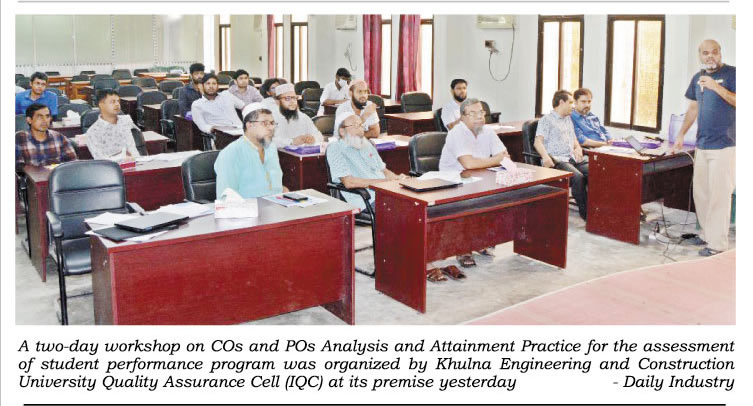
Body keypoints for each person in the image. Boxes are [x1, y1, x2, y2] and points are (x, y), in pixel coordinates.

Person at [672, 39, 736, 257]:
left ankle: (717, 244)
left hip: (724, 145)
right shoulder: (697, 78)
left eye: (714, 52)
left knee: (719, 196)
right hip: (702, 144)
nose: (710, 56)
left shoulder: (733, 74)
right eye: (706, 53)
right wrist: (681, 134)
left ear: (720, 53)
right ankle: (707, 235)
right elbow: (693, 108)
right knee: (702, 193)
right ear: (700, 55)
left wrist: (716, 86)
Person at [438, 97, 509, 267]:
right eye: (473, 113)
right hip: (452, 181)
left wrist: (498, 160)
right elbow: (468, 163)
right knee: (470, 201)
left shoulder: (487, 131)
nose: (479, 116)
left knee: (500, 196)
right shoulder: (457, 133)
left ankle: (479, 241)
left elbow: (505, 156)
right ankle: (463, 248)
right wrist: (495, 160)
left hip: (478, 177)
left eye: (481, 112)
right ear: (462, 116)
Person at [326, 112, 406, 211]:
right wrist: (383, 183)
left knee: (416, 199)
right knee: (406, 208)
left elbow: (384, 170)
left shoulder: (366, 144)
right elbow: (349, 182)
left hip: (386, 191)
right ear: (342, 131)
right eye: (356, 126)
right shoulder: (335, 148)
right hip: (367, 199)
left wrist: (398, 179)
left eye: (361, 125)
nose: (361, 130)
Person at [534, 90, 589, 220]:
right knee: (578, 177)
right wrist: (545, 157)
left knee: (596, 171)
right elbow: (537, 142)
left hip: (572, 158)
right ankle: (586, 214)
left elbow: (574, 139)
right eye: (570, 102)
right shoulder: (546, 120)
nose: (573, 106)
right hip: (557, 160)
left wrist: (578, 148)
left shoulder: (568, 119)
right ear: (561, 102)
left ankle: (596, 211)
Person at [214, 104, 286, 198]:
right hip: (247, 206)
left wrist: (283, 191)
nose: (271, 128)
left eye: (272, 123)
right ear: (249, 125)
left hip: (275, 202)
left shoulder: (271, 147)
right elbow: (225, 198)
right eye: (265, 123)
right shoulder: (230, 153)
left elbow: (274, 184)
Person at [16, 103, 77, 169]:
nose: (45, 120)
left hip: (56, 175)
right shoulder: (19, 139)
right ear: (29, 120)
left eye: (47, 116)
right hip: (31, 175)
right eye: (40, 117)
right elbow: (18, 168)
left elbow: (73, 164)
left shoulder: (59, 137)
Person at [84, 89, 140, 161]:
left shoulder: (126, 121)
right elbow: (101, 160)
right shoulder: (93, 132)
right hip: (112, 167)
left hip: (135, 163)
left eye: (118, 101)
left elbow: (133, 150)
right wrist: (122, 157)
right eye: (112, 102)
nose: (117, 104)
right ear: (101, 105)